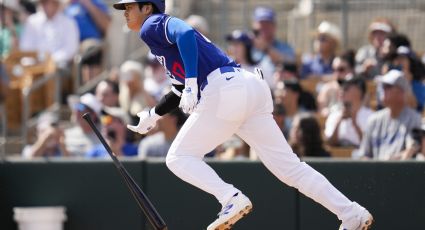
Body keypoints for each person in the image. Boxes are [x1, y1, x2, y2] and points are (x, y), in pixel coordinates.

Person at [114, 1, 373, 229]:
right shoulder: (158, 41)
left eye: (129, 6)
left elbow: (185, 33)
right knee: (291, 169)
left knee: (178, 157)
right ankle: (351, 213)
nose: (125, 12)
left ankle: (230, 199)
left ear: (147, 7)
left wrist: (192, 81)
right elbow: (179, 88)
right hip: (249, 86)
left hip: (224, 89)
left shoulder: (152, 25)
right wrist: (154, 114)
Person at [358, 70, 421, 160]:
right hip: (373, 173)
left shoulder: (414, 119)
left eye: (387, 87)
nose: (382, 89)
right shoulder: (373, 120)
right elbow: (364, 155)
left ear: (401, 92)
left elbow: (410, 152)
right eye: (382, 86)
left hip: (399, 172)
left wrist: (386, 163)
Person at [19, 0, 79, 69]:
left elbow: (70, 49)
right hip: (35, 68)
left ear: (57, 4)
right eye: (44, 2)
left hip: (60, 68)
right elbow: (25, 48)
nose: (48, 6)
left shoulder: (68, 23)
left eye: (52, 2)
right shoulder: (32, 22)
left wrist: (51, 60)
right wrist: (33, 62)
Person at [251, 6, 295, 88]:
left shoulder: (285, 47)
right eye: (261, 23)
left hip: (277, 90)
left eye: (267, 24)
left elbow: (290, 62)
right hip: (253, 89)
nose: (264, 27)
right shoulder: (247, 47)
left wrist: (266, 48)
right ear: (254, 25)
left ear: (274, 26)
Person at [324, 77, 373, 147]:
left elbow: (369, 147)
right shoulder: (334, 115)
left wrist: (355, 123)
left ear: (359, 92)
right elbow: (330, 143)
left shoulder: (371, 117)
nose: (342, 90)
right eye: (342, 87)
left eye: (346, 88)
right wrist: (339, 122)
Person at [317, 50, 355, 117]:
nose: (337, 74)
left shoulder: (359, 90)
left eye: (341, 69)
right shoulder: (327, 89)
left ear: (351, 69)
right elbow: (322, 111)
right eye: (334, 70)